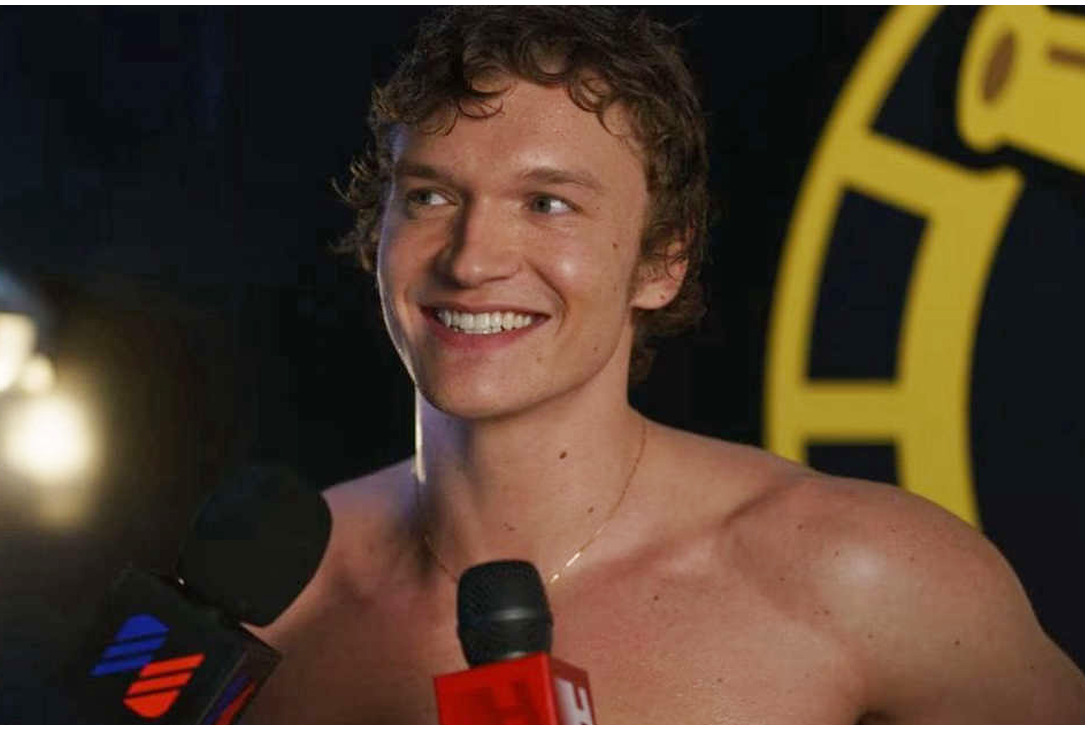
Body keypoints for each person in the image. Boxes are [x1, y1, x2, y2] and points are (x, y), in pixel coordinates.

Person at [244, 7, 1083, 723]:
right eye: (431, 196)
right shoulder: (272, 606)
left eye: (547, 204)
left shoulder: (861, 577)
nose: (471, 259)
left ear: (662, 262)